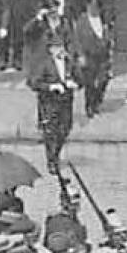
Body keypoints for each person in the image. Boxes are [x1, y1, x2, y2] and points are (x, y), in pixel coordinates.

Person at [28, 31, 78, 174]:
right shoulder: (44, 64)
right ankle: (51, 160)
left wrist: (73, 82)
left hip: (66, 101)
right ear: (51, 49)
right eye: (57, 48)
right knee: (50, 132)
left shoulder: (69, 62)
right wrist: (50, 86)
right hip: (49, 103)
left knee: (65, 129)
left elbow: (80, 78)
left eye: (62, 47)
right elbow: (33, 83)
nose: (60, 50)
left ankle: (56, 153)